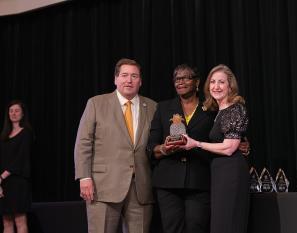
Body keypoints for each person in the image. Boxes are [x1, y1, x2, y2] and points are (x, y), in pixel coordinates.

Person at [147, 64, 250, 233]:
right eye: (177, 79)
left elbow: (229, 134)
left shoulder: (211, 108)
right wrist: (164, 148)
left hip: (201, 181)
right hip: (169, 182)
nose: (180, 82)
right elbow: (151, 146)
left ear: (197, 82)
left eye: (186, 77)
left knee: (199, 226)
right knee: (173, 228)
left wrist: (243, 143)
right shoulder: (163, 108)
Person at [74, 58, 157, 233]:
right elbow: (83, 142)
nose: (129, 80)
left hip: (140, 189)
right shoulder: (96, 103)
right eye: (124, 75)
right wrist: (84, 177)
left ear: (140, 81)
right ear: (115, 79)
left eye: (134, 76)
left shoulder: (152, 107)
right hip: (102, 187)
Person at [181, 64, 250, 233]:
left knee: (228, 223)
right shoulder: (220, 111)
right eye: (212, 82)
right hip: (221, 173)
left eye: (221, 82)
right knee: (221, 224)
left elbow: (229, 148)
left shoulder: (235, 109)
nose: (216, 86)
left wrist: (196, 143)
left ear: (230, 86)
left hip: (231, 173)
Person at [0, 100, 34, 233]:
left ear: (22, 113)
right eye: (11, 111)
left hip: (18, 182)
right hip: (3, 183)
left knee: (20, 221)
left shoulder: (26, 133)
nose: (13, 113)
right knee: (6, 222)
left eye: (17, 110)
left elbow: (21, 159)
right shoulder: (3, 136)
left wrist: (2, 177)